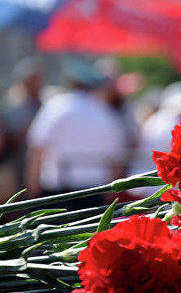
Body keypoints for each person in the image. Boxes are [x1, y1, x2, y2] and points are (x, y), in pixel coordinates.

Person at [26, 58, 128, 209]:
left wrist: (32, 186)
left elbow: (37, 148)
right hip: (94, 194)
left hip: (57, 191)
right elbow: (115, 160)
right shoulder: (105, 113)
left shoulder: (56, 106)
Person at [1, 58, 44, 196]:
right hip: (17, 166)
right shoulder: (13, 108)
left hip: (43, 168)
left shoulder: (46, 105)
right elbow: (6, 142)